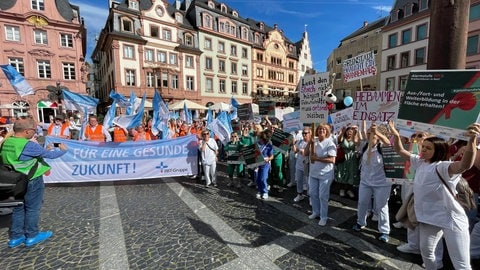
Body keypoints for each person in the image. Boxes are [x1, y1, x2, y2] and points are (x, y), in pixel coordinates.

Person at [389, 121, 479, 270]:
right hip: (429, 219)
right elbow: (400, 150)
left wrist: (471, 141)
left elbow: (465, 165)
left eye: (428, 148)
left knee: (461, 264)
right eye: (423, 146)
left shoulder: (443, 166)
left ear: (438, 151)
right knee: (427, 252)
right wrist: (395, 133)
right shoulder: (420, 162)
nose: (422, 149)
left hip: (451, 219)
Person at [1, 117, 67, 248]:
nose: (35, 133)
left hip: (14, 180)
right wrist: (64, 150)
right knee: (32, 208)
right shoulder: (27, 144)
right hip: (31, 179)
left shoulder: (6, 142)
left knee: (18, 208)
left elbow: (26, 155)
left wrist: (44, 149)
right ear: (26, 131)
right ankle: (32, 235)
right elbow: (51, 156)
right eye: (34, 130)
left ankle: (16, 236)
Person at [352, 123, 392, 243]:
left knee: (381, 207)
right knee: (362, 202)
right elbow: (356, 142)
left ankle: (384, 231)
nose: (369, 136)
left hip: (382, 183)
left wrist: (377, 132)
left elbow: (388, 143)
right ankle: (360, 223)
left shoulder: (382, 148)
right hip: (365, 182)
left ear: (378, 136)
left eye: (372, 135)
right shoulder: (365, 146)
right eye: (368, 133)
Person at [304, 123, 336, 226]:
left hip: (325, 174)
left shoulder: (330, 143)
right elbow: (305, 153)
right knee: (313, 193)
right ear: (317, 131)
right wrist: (309, 143)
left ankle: (323, 217)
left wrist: (317, 158)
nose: (321, 131)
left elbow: (332, 159)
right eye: (319, 129)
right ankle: (315, 212)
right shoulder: (314, 141)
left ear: (327, 131)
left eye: (324, 129)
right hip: (313, 173)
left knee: (323, 196)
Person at [334, 125, 360, 198]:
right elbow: (339, 140)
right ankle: (342, 189)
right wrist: (342, 132)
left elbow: (357, 143)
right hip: (343, 158)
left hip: (352, 159)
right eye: (348, 130)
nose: (350, 132)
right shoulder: (343, 138)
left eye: (351, 130)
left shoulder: (354, 138)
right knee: (342, 172)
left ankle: (349, 189)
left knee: (351, 173)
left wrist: (356, 132)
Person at [293, 127, 311, 202]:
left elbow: (306, 153)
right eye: (303, 133)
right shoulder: (300, 142)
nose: (304, 134)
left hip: (308, 165)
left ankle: (310, 197)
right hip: (299, 164)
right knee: (299, 180)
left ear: (310, 134)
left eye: (306, 133)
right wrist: (293, 143)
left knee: (308, 182)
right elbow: (295, 151)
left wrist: (301, 150)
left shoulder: (311, 143)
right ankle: (299, 194)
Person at [255, 130, 274, 199]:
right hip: (257, 163)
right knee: (257, 179)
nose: (259, 139)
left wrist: (268, 159)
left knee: (263, 178)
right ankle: (260, 191)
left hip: (265, 164)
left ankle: (265, 192)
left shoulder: (269, 146)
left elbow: (272, 156)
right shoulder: (257, 144)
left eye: (260, 138)